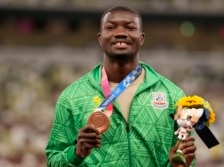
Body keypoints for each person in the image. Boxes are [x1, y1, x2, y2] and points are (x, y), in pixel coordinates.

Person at [46, 5, 196, 167]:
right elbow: (53, 161)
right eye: (110, 27)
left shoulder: (173, 95)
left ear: (141, 38)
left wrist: (179, 165)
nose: (120, 33)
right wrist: (76, 153)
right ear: (100, 38)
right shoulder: (72, 96)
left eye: (130, 28)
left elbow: (186, 158)